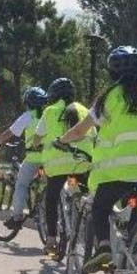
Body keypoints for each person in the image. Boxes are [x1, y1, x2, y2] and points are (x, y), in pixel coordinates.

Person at [58, 46, 137, 273]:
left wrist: (62, 139)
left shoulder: (109, 97)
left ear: (112, 72)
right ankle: (134, 251)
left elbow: (80, 130)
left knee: (99, 206)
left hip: (117, 173)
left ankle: (104, 248)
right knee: (132, 200)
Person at [32, 78, 94, 258]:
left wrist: (38, 145)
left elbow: (37, 137)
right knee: (85, 198)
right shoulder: (83, 110)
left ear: (53, 96)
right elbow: (93, 135)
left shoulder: (50, 111)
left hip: (58, 169)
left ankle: (51, 240)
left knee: (51, 201)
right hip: (82, 166)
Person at [0, 86, 49, 230]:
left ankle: (17, 217)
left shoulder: (28, 116)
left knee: (22, 184)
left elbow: (9, 133)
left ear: (28, 103)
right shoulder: (49, 115)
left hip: (34, 158)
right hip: (51, 158)